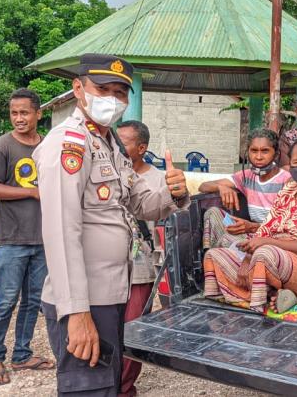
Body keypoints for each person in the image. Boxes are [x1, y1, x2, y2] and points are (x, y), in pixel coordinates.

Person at [33, 54, 189, 396]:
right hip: (84, 297)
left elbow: (134, 204)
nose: (112, 100)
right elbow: (61, 231)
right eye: (103, 89)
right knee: (88, 388)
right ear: (78, 88)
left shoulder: (110, 144)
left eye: (121, 93)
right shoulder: (68, 143)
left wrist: (172, 193)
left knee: (107, 384)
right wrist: (75, 312)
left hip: (111, 290)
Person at [204, 136, 297, 313]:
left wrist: (265, 244)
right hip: (276, 257)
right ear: (290, 165)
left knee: (265, 253)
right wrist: (249, 256)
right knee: (214, 255)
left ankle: (259, 299)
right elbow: (267, 227)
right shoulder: (289, 189)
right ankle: (268, 293)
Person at [0, 88, 53, 386]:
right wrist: (31, 192)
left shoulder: (47, 147)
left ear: (39, 113)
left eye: (24, 112)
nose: (19, 118)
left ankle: (22, 354)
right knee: (7, 300)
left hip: (42, 238)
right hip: (11, 239)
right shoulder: (3, 146)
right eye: (14, 113)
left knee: (33, 300)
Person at [115, 120, 165, 397]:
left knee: (132, 328)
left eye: (124, 142)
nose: (118, 146)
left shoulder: (157, 180)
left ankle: (123, 387)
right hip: (108, 264)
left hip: (142, 266)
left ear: (141, 148)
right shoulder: (109, 173)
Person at [199, 129, 291, 250]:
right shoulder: (246, 176)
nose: (258, 157)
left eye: (265, 151)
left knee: (227, 240)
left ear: (276, 154)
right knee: (213, 212)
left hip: (274, 237)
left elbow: (289, 224)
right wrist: (221, 187)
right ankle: (209, 256)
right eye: (254, 151)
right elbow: (203, 186)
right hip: (250, 232)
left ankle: (225, 257)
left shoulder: (287, 180)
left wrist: (254, 227)